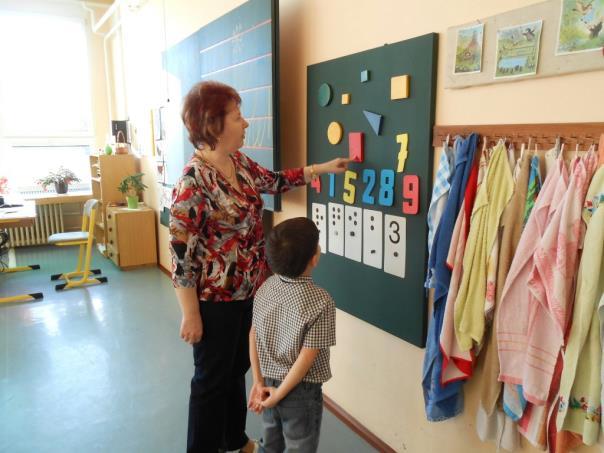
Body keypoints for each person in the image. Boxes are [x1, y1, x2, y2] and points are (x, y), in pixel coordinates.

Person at [169, 80, 348, 453]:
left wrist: (322, 169)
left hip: (251, 291)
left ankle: (233, 438)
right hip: (214, 302)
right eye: (238, 116)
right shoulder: (192, 183)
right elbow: (181, 257)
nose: (246, 123)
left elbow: (276, 181)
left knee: (236, 371)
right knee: (209, 383)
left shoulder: (239, 164)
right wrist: (191, 314)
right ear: (214, 124)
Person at [248, 217, 336, 453]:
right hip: (300, 392)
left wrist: (258, 382)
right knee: (299, 448)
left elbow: (253, 336)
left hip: (267, 384)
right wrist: (279, 395)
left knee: (269, 445)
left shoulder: (265, 287)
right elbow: (305, 360)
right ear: (314, 258)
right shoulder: (321, 301)